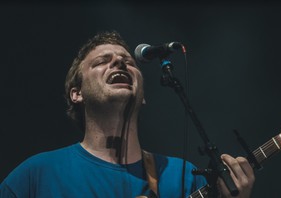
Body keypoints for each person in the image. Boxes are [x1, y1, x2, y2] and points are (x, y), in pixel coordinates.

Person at [0, 31, 255, 198]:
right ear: (76, 94)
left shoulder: (184, 177)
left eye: (128, 62)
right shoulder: (37, 175)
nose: (120, 63)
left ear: (142, 96)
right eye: (102, 61)